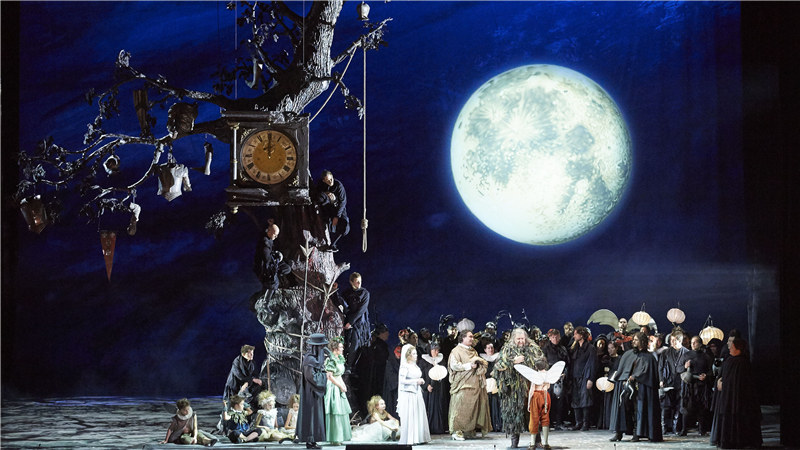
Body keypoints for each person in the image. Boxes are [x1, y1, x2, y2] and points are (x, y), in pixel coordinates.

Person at [492, 327, 545, 448]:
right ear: (513, 339)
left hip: (530, 388)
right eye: (518, 339)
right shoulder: (507, 349)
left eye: (522, 338)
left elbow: (542, 362)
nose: (521, 341)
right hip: (513, 391)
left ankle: (537, 440)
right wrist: (513, 361)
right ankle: (514, 441)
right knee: (514, 415)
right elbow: (498, 366)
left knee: (533, 414)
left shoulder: (533, 348)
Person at [609, 332, 663, 443]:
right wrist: (624, 379)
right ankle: (619, 433)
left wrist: (635, 377)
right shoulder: (628, 354)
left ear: (642, 342)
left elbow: (647, 373)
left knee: (638, 410)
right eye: (633, 339)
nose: (633, 341)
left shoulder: (649, 357)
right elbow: (622, 370)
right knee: (623, 408)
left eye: (636, 340)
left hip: (641, 389)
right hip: (626, 387)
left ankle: (636, 433)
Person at [709, 337, 762, 449]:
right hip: (728, 398)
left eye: (732, 346)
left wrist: (724, 384)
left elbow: (740, 383)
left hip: (739, 400)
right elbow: (725, 376)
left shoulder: (743, 363)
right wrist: (720, 381)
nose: (730, 348)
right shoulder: (729, 360)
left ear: (738, 348)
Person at [448, 329, 491, 441]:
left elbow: (478, 365)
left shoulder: (473, 351)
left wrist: (479, 365)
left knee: (472, 408)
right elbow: (454, 365)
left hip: (474, 384)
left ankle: (468, 430)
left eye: (472, 337)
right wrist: (469, 365)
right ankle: (457, 430)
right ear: (463, 338)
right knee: (460, 406)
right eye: (470, 336)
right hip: (462, 384)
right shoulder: (456, 351)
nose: (472, 339)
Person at [297, 333, 329, 449]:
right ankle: (310, 440)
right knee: (311, 416)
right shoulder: (309, 359)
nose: (322, 349)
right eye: (321, 346)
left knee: (316, 416)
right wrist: (325, 376)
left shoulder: (315, 359)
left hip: (316, 392)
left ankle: (314, 440)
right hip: (310, 392)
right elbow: (311, 377)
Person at [252, 222, 292, 311]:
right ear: (269, 232)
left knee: (287, 268)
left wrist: (276, 254)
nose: (276, 237)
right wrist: (277, 258)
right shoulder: (264, 244)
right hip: (265, 267)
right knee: (274, 283)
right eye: (275, 234)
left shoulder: (269, 237)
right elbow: (267, 260)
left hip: (272, 262)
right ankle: (265, 304)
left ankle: (277, 276)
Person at [397, 343, 432, 445]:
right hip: (409, 394)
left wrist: (420, 380)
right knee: (411, 415)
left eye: (416, 353)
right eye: (414, 354)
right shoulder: (405, 366)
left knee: (418, 414)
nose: (416, 355)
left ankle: (420, 437)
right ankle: (410, 438)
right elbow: (402, 381)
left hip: (417, 393)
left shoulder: (414, 365)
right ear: (408, 355)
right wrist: (416, 381)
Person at [335, 272, 371, 369]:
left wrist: (351, 322)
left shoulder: (365, 293)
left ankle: (350, 366)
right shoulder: (347, 293)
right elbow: (342, 303)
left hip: (359, 324)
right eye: (356, 281)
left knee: (355, 344)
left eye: (360, 281)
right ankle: (342, 364)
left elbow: (361, 310)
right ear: (351, 282)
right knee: (344, 343)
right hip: (347, 321)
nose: (359, 284)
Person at [679, 335, 713, 436]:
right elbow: (678, 368)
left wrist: (706, 376)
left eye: (695, 342)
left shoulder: (706, 356)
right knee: (686, 408)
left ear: (700, 344)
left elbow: (711, 371)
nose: (693, 344)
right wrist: (685, 366)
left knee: (701, 408)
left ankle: (702, 430)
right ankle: (684, 429)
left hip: (701, 385)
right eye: (692, 342)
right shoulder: (686, 355)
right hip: (689, 385)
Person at [659, 330, 689, 435]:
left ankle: (676, 427)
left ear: (680, 340)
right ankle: (664, 427)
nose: (672, 342)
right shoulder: (666, 352)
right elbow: (660, 367)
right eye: (671, 340)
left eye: (674, 340)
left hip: (680, 383)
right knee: (666, 405)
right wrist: (661, 380)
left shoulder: (686, 352)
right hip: (668, 381)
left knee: (678, 406)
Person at [324, 337, 352, 445]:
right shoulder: (331, 360)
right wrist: (340, 385)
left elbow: (339, 374)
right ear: (335, 349)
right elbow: (329, 376)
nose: (342, 348)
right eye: (340, 347)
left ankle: (340, 436)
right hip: (333, 386)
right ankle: (334, 437)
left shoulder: (339, 358)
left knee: (341, 411)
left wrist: (343, 384)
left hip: (339, 383)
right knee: (335, 411)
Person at [569, 326, 597, 431]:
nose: (574, 336)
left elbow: (593, 364)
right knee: (576, 399)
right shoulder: (575, 348)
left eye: (576, 334)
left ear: (581, 335)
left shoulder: (590, 348)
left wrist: (591, 379)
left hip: (585, 377)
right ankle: (578, 422)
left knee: (585, 400)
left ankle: (586, 423)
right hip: (575, 377)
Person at [541, 328, 569, 431]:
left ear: (559, 337)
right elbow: (542, 364)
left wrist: (565, 373)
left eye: (556, 337)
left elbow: (567, 363)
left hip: (560, 379)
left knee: (560, 402)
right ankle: (548, 422)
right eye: (553, 337)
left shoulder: (563, 349)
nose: (555, 339)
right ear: (550, 338)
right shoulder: (545, 349)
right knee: (548, 401)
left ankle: (559, 422)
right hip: (549, 379)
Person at [315, 170, 350, 252]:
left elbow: (343, 203)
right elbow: (317, 194)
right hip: (327, 207)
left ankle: (333, 245)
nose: (330, 182)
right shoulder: (321, 185)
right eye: (328, 180)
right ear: (324, 180)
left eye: (331, 179)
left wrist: (337, 216)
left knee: (344, 226)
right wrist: (325, 194)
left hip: (338, 207)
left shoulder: (339, 186)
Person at [420, 341, 448, 434]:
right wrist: (426, 386)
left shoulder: (441, 360)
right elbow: (421, 376)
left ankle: (440, 427)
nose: (437, 352)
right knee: (429, 408)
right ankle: (430, 428)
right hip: (429, 389)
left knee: (440, 406)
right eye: (434, 350)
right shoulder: (423, 361)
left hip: (440, 388)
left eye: (438, 350)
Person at [528, 359, 556, 450]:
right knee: (545, 418)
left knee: (534, 418)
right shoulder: (548, 374)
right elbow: (548, 386)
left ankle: (532, 444)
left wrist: (529, 403)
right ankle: (546, 443)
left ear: (536, 367)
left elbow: (532, 389)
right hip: (545, 395)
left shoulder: (535, 375)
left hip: (536, 396)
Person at [223, 345, 263, 409]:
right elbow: (239, 375)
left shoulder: (252, 363)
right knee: (231, 407)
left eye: (252, 353)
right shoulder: (237, 361)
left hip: (245, 386)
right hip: (234, 386)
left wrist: (249, 382)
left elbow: (255, 374)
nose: (252, 355)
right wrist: (251, 380)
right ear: (243, 354)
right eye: (249, 353)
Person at [480, 342, 503, 432]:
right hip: (485, 383)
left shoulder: (497, 358)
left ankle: (496, 424)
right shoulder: (482, 359)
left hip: (495, 384)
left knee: (495, 404)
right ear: (485, 350)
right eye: (488, 348)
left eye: (491, 348)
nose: (490, 350)